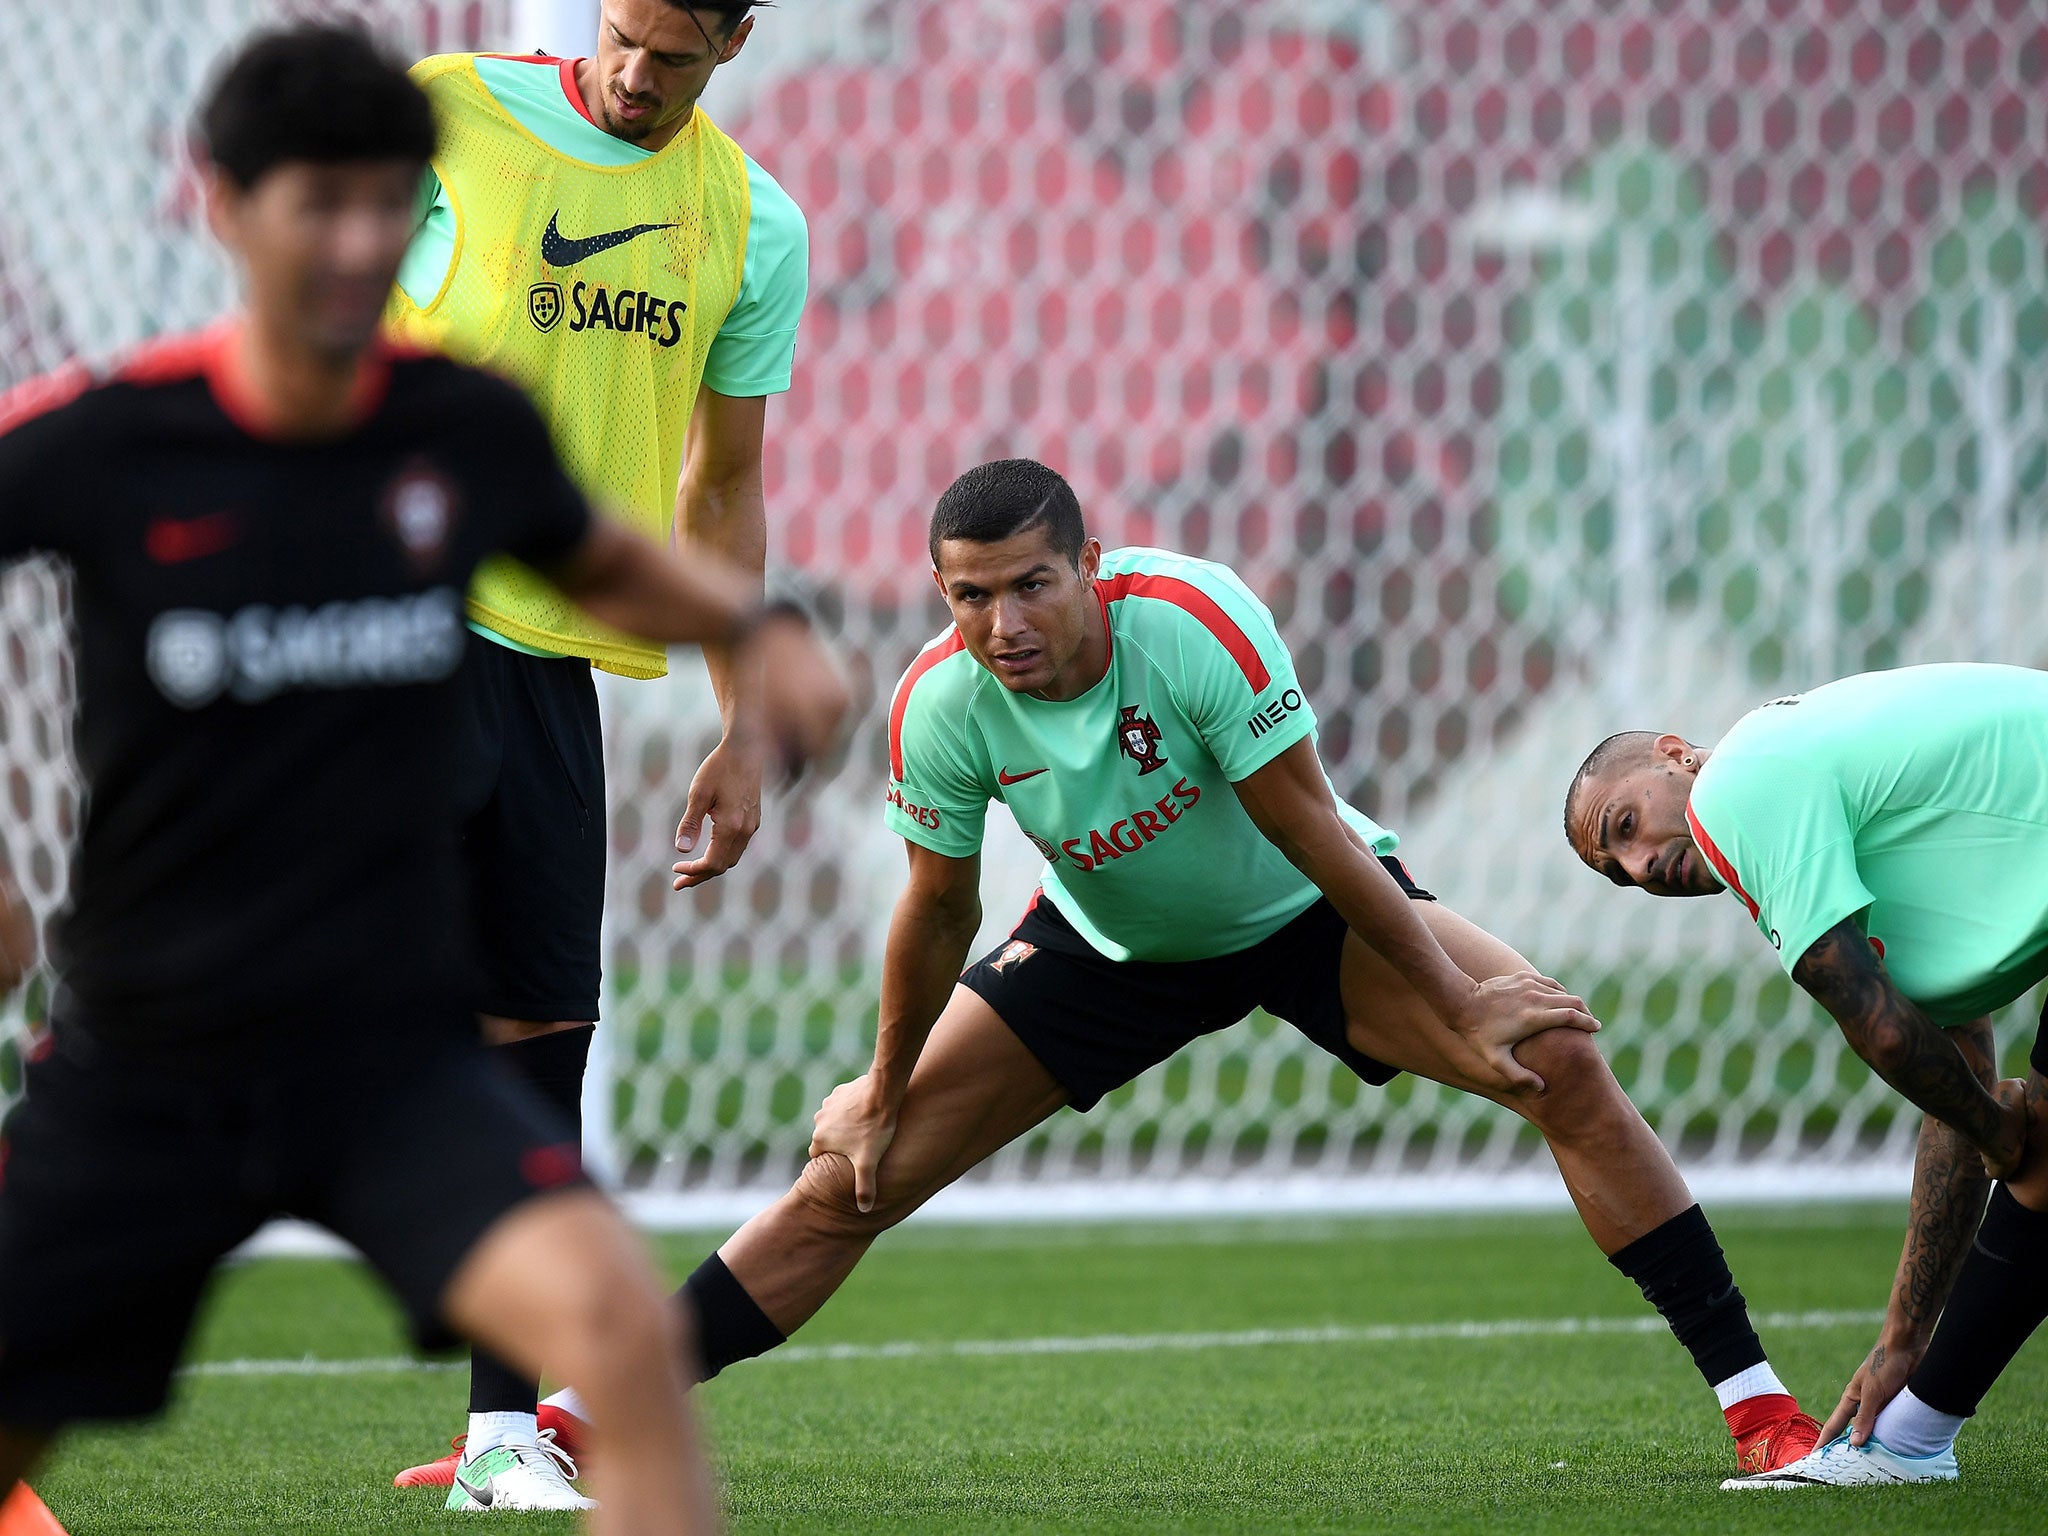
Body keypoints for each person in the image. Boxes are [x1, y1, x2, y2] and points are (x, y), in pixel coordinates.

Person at [0, 26, 844, 1530]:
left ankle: (500, 1438)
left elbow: (616, 551)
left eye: (388, 206)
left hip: (385, 1074)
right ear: (225, 206)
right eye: (320, 204)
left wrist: (753, 647)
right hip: (152, 1063)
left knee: (626, 1348)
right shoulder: (115, 440)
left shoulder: (464, 433)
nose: (360, 243)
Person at [579, 457, 1824, 1476]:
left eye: (1030, 586)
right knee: (850, 1177)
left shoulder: (1190, 624)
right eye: (968, 597)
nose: (1001, 626)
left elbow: (1307, 828)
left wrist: (1456, 1000)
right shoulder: (940, 703)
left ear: (1091, 571)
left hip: (1303, 906)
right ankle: (584, 1421)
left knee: (1551, 1056)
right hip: (1104, 943)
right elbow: (937, 907)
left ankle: (1762, 1412)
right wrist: (879, 1081)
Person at [379, 1, 808, 1496]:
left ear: (737, 40)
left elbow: (725, 488)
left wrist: (740, 725)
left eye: (674, 53)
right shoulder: (446, 112)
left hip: (554, 671)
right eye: (624, 32)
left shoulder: (750, 218)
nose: (636, 72)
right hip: (385, 635)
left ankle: (503, 1440)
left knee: (536, 1047)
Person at [1562, 663, 2048, 1487]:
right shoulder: (1836, 826)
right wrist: (1904, 1336)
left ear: (1677, 756)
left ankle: (1909, 1446)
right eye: (1619, 870)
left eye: (1625, 824)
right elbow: (1950, 1070)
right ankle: (1912, 1437)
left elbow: (1885, 1038)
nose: (1640, 865)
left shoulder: (1740, 788)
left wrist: (2003, 1134)